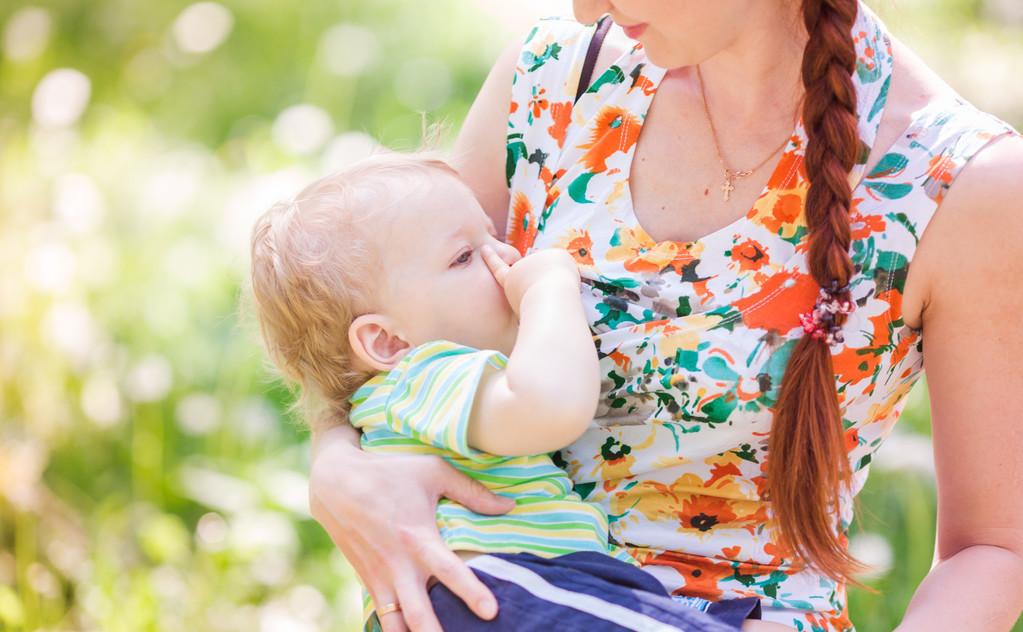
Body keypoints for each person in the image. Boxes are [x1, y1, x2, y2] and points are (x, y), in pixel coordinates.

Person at [307, 1, 1023, 630]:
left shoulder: (958, 181)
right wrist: (336, 465)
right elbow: (384, 332)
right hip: (498, 606)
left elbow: (993, 549)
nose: (586, 7)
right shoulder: (555, 74)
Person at [249, 154, 768, 630]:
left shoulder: (404, 394)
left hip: (537, 589)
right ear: (387, 340)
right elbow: (550, 408)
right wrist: (549, 289)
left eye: (492, 235)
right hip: (496, 591)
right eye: (464, 257)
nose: (506, 255)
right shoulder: (422, 377)